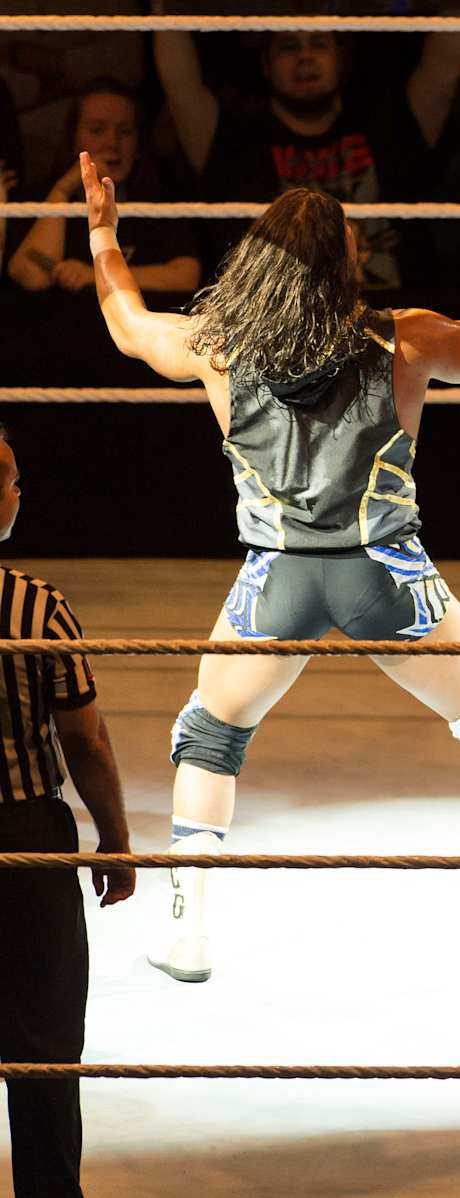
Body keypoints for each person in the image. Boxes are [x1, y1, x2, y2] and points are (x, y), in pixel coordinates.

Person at [74, 150, 460, 982]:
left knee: (211, 734)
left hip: (277, 579)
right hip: (386, 575)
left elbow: (125, 323)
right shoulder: (403, 339)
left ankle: (186, 927)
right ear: (349, 262)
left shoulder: (216, 349)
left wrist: (104, 233)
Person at [0, 426, 136, 1198]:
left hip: (29, 841)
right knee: (44, 1053)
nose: (21, 490)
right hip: (24, 840)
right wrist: (114, 840)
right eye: (11, 476)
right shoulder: (36, 608)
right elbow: (86, 742)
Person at [152, 13, 460, 289]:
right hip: (277, 335)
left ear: (340, 58)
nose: (305, 56)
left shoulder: (386, 127)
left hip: (395, 325)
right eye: (289, 46)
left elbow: (444, 70)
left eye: (318, 43)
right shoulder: (236, 139)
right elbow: (180, 85)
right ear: (266, 64)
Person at [7, 78, 199, 295]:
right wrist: (64, 188)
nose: (112, 143)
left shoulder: (159, 202)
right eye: (97, 130)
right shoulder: (38, 199)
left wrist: (96, 274)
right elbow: (33, 276)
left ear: (138, 145)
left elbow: (186, 276)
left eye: (125, 131)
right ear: (74, 139)